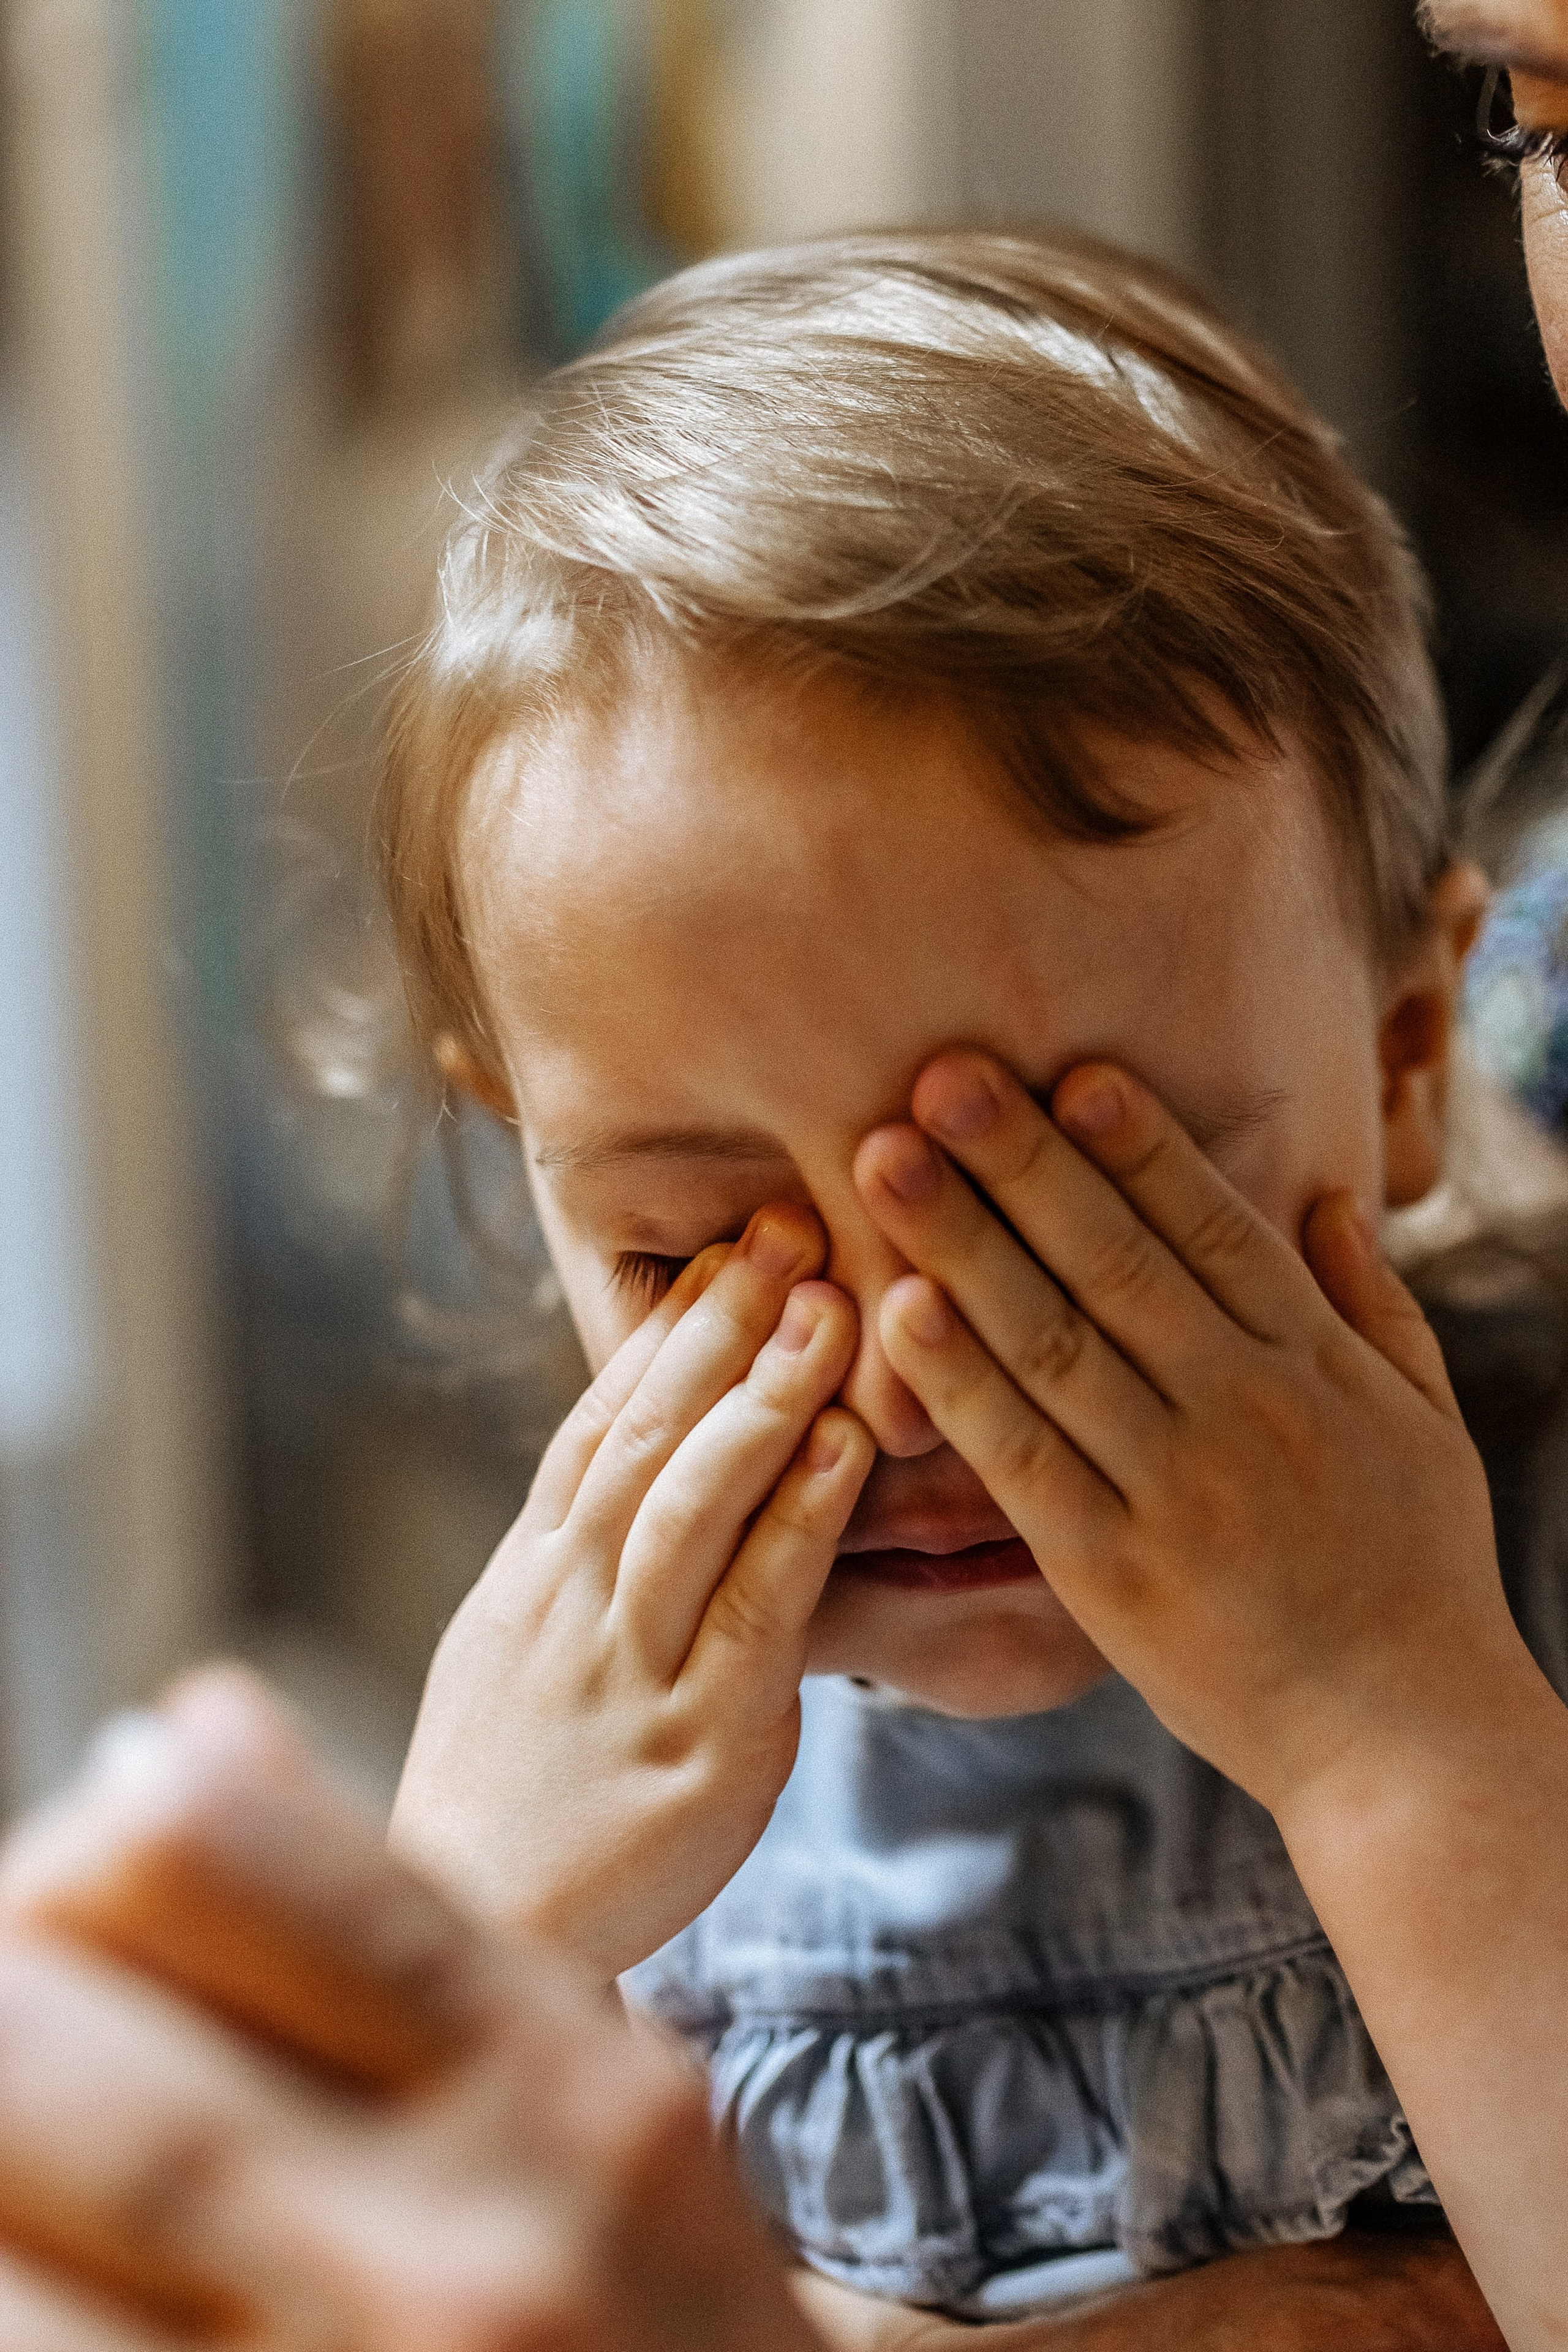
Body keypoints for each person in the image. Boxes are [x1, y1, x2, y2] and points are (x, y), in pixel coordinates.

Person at [4, 26, 1568, 2346]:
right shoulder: (568, 1784)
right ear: (521, 1154)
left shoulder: (1519, 1598)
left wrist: (1396, 1733)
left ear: (1412, 1052)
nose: (926, 1374)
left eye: (1073, 1222)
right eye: (695, 1249)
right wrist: (464, 1939)